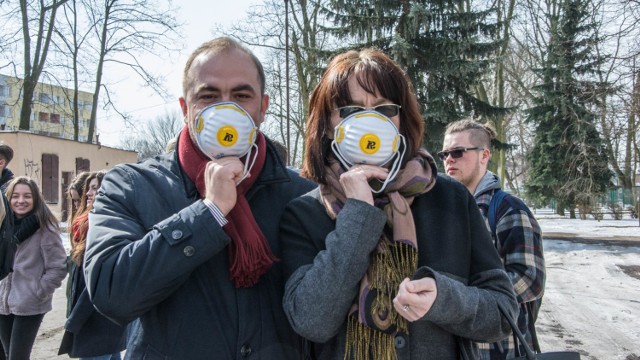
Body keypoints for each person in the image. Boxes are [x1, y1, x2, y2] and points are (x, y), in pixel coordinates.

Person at [83, 37, 316, 359]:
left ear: (262, 107)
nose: (226, 109)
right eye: (208, 96)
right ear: (185, 109)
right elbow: (112, 294)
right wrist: (209, 213)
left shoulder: (301, 193)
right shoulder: (132, 185)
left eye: (241, 95)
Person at [280, 48, 517, 360]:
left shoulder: (450, 199)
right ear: (327, 124)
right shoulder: (304, 214)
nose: (369, 122)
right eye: (350, 110)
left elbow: (503, 313)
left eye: (383, 109)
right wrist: (358, 216)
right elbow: (311, 321)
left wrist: (444, 299)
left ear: (401, 120)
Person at [440, 119, 545, 358]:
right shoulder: (443, 211)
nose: (449, 159)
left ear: (484, 155)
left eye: (458, 152)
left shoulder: (508, 209)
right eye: (444, 153)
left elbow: (530, 279)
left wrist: (461, 296)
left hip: (499, 349)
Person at [59, 170, 127, 360]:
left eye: (95, 188)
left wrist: (75, 317)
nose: (88, 193)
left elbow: (97, 280)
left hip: (97, 317)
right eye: (89, 188)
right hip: (96, 318)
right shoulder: (89, 223)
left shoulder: (108, 225)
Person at [0, 176, 67, 359]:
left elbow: (58, 267)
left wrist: (38, 291)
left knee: (18, 356)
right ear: (8, 198)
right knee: (7, 354)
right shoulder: (3, 227)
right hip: (2, 303)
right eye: (15, 196)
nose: (21, 201)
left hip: (30, 304)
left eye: (27, 196)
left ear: (36, 199)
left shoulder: (45, 228)